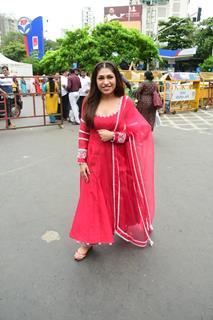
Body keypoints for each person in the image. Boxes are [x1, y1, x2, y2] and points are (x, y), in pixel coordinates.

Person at [69, 61, 155, 261]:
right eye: (101, 78)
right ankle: (87, 241)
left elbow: (141, 130)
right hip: (94, 163)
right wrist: (82, 161)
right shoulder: (88, 102)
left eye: (109, 77)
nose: (105, 82)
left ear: (116, 79)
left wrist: (115, 136)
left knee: (121, 196)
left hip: (118, 163)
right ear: (95, 81)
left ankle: (124, 226)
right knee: (91, 201)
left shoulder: (125, 103)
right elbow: (83, 133)